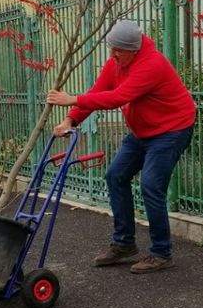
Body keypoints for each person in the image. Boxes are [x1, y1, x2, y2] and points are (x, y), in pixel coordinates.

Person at [46, 20, 195, 274]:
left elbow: (118, 97)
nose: (112, 55)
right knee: (116, 175)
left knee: (150, 185)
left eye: (118, 50)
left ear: (134, 50)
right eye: (111, 48)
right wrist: (70, 119)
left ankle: (161, 253)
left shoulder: (151, 65)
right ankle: (125, 244)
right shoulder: (117, 62)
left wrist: (72, 98)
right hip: (142, 131)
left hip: (172, 129)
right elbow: (99, 91)